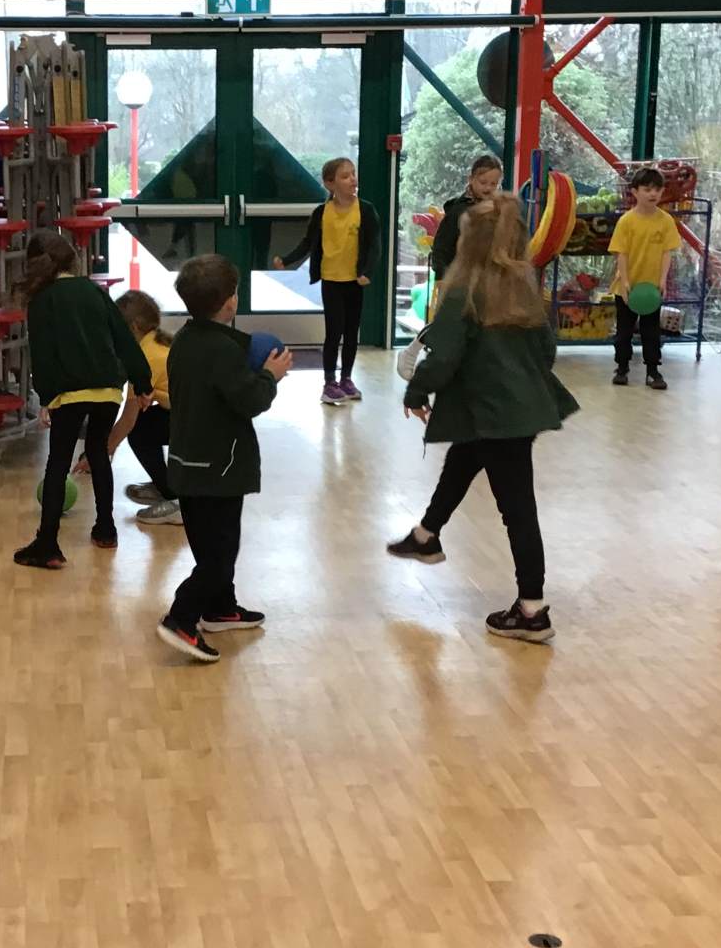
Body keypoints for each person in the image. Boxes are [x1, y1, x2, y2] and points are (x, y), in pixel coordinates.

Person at [389, 195, 578, 642]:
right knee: (464, 456)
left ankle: (532, 610)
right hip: (515, 409)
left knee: (518, 510)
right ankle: (426, 535)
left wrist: (416, 389)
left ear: (468, 242)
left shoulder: (464, 291)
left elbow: (444, 355)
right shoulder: (523, 288)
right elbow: (547, 349)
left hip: (495, 412)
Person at [157, 254, 292, 662]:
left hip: (187, 463)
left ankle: (220, 608)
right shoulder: (222, 351)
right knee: (219, 555)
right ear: (230, 302)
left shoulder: (184, 339)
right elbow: (250, 400)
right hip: (220, 468)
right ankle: (181, 618)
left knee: (209, 545)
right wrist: (270, 376)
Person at [15, 229, 153, 568]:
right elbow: (123, 339)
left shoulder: (41, 300)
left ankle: (47, 544)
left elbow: (42, 354)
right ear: (71, 260)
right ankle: (106, 530)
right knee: (98, 454)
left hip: (69, 392)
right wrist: (142, 382)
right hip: (108, 389)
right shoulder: (94, 291)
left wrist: (46, 398)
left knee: (58, 463)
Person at [272, 157, 379, 405]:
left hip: (355, 282)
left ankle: (347, 378)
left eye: (353, 174)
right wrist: (286, 260)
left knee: (351, 332)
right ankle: (329, 382)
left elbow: (375, 246)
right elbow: (308, 243)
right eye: (345, 176)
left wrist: (367, 272)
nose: (352, 180)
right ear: (330, 184)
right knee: (334, 331)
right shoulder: (322, 213)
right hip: (331, 280)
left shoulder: (366, 210)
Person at [103, 289, 181, 525]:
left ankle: (175, 500)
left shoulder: (144, 357)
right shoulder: (157, 342)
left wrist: (102, 452)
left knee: (139, 430)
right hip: (197, 416)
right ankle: (164, 484)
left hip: (199, 423)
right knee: (146, 420)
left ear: (134, 328)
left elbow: (128, 419)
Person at [608, 167, 681, 390]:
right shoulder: (626, 221)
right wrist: (625, 282)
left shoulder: (666, 221)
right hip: (628, 288)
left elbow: (667, 252)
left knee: (651, 332)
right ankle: (622, 367)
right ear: (635, 192)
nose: (653, 194)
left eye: (657, 189)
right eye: (647, 189)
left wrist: (662, 280)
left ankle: (653, 371)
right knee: (624, 332)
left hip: (651, 289)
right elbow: (621, 253)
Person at [427, 154, 506, 309]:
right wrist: (442, 277)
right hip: (458, 280)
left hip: (487, 280)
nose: (488, 188)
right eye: (483, 182)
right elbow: (441, 247)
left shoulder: (498, 211)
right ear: (471, 179)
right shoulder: (458, 211)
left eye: (493, 184)